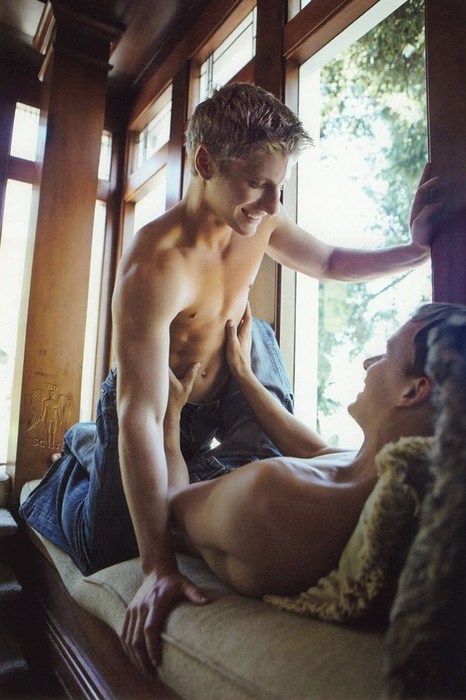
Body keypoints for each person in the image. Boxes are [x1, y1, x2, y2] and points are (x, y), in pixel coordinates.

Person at [20, 82, 449, 673]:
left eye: (280, 188)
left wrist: (418, 252)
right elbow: (142, 414)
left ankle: (185, 466)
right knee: (111, 545)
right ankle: (84, 449)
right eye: (256, 184)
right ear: (204, 163)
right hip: (158, 399)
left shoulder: (263, 220)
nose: (272, 205)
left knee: (259, 370)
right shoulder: (155, 263)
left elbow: (328, 262)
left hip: (229, 377)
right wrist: (158, 568)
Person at [165, 301, 466, 601]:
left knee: (209, 336)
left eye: (387, 354)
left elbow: (169, 504)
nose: (368, 363)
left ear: (412, 391)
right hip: (243, 487)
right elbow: (314, 450)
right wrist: (243, 373)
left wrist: (169, 422)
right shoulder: (377, 470)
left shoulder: (274, 494)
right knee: (254, 331)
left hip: (200, 485)